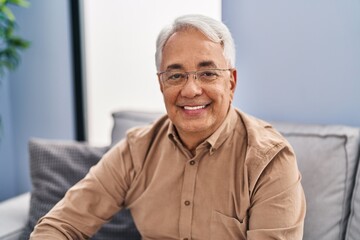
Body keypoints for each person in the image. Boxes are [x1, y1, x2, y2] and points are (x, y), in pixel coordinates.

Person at [30, 14, 306, 239]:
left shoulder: (269, 160)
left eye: (208, 73)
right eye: (176, 75)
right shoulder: (137, 150)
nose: (191, 89)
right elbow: (59, 225)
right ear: (161, 84)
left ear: (231, 82)